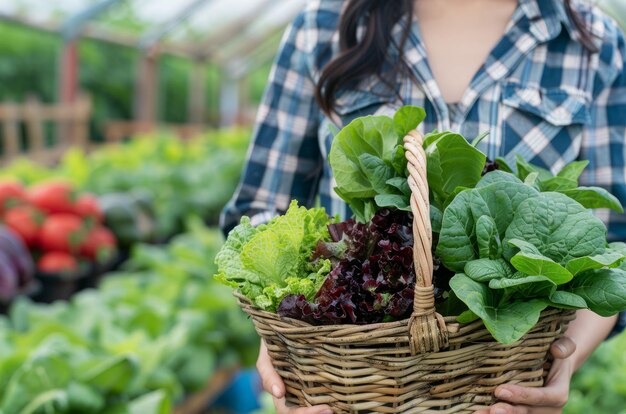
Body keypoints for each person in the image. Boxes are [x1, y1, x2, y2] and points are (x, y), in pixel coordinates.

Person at [220, 0, 626, 413]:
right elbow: (260, 216)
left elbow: (612, 250)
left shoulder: (591, 39)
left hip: (498, 394)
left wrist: (563, 362)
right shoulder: (323, 28)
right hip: (350, 388)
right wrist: (283, 345)